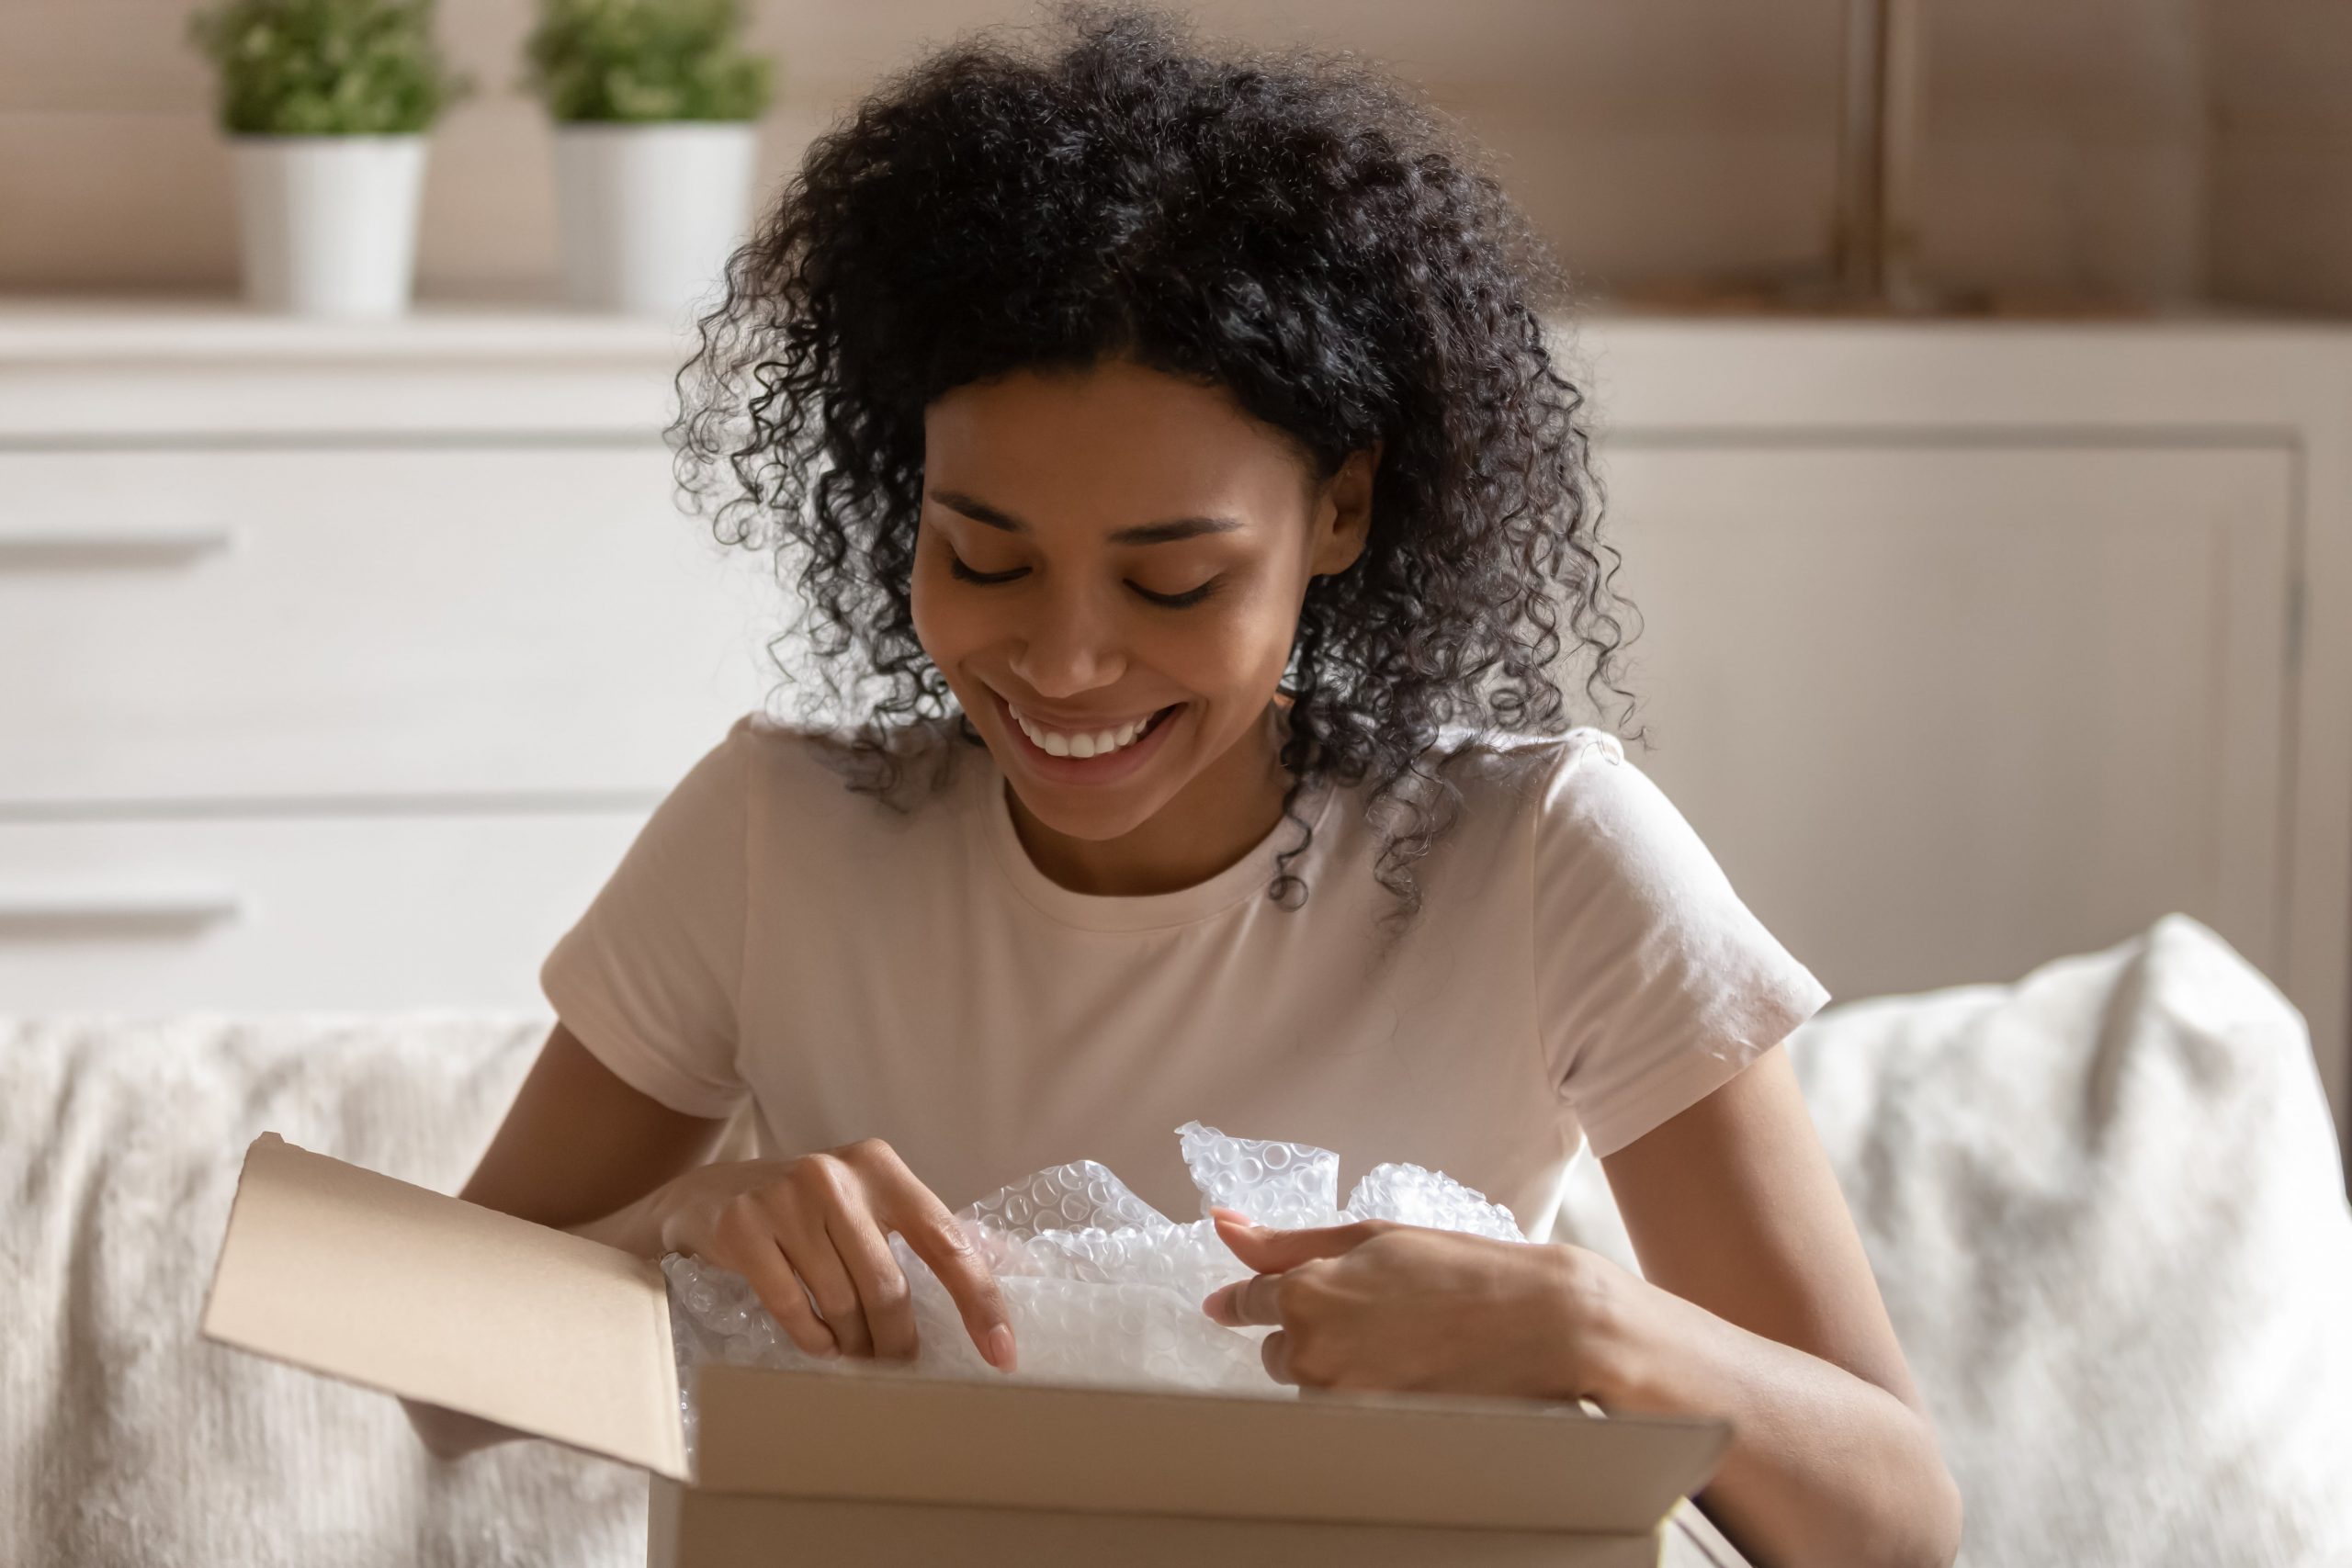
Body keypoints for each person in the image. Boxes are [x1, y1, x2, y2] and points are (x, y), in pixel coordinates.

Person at [443, 10, 1960, 1563]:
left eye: (1173, 584)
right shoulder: (778, 840)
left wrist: (1588, 1326)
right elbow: (438, 1382)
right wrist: (675, 1234)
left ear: (1343, 510)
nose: (1066, 662)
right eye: (985, 558)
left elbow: (1895, 1522)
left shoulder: (1545, 861)